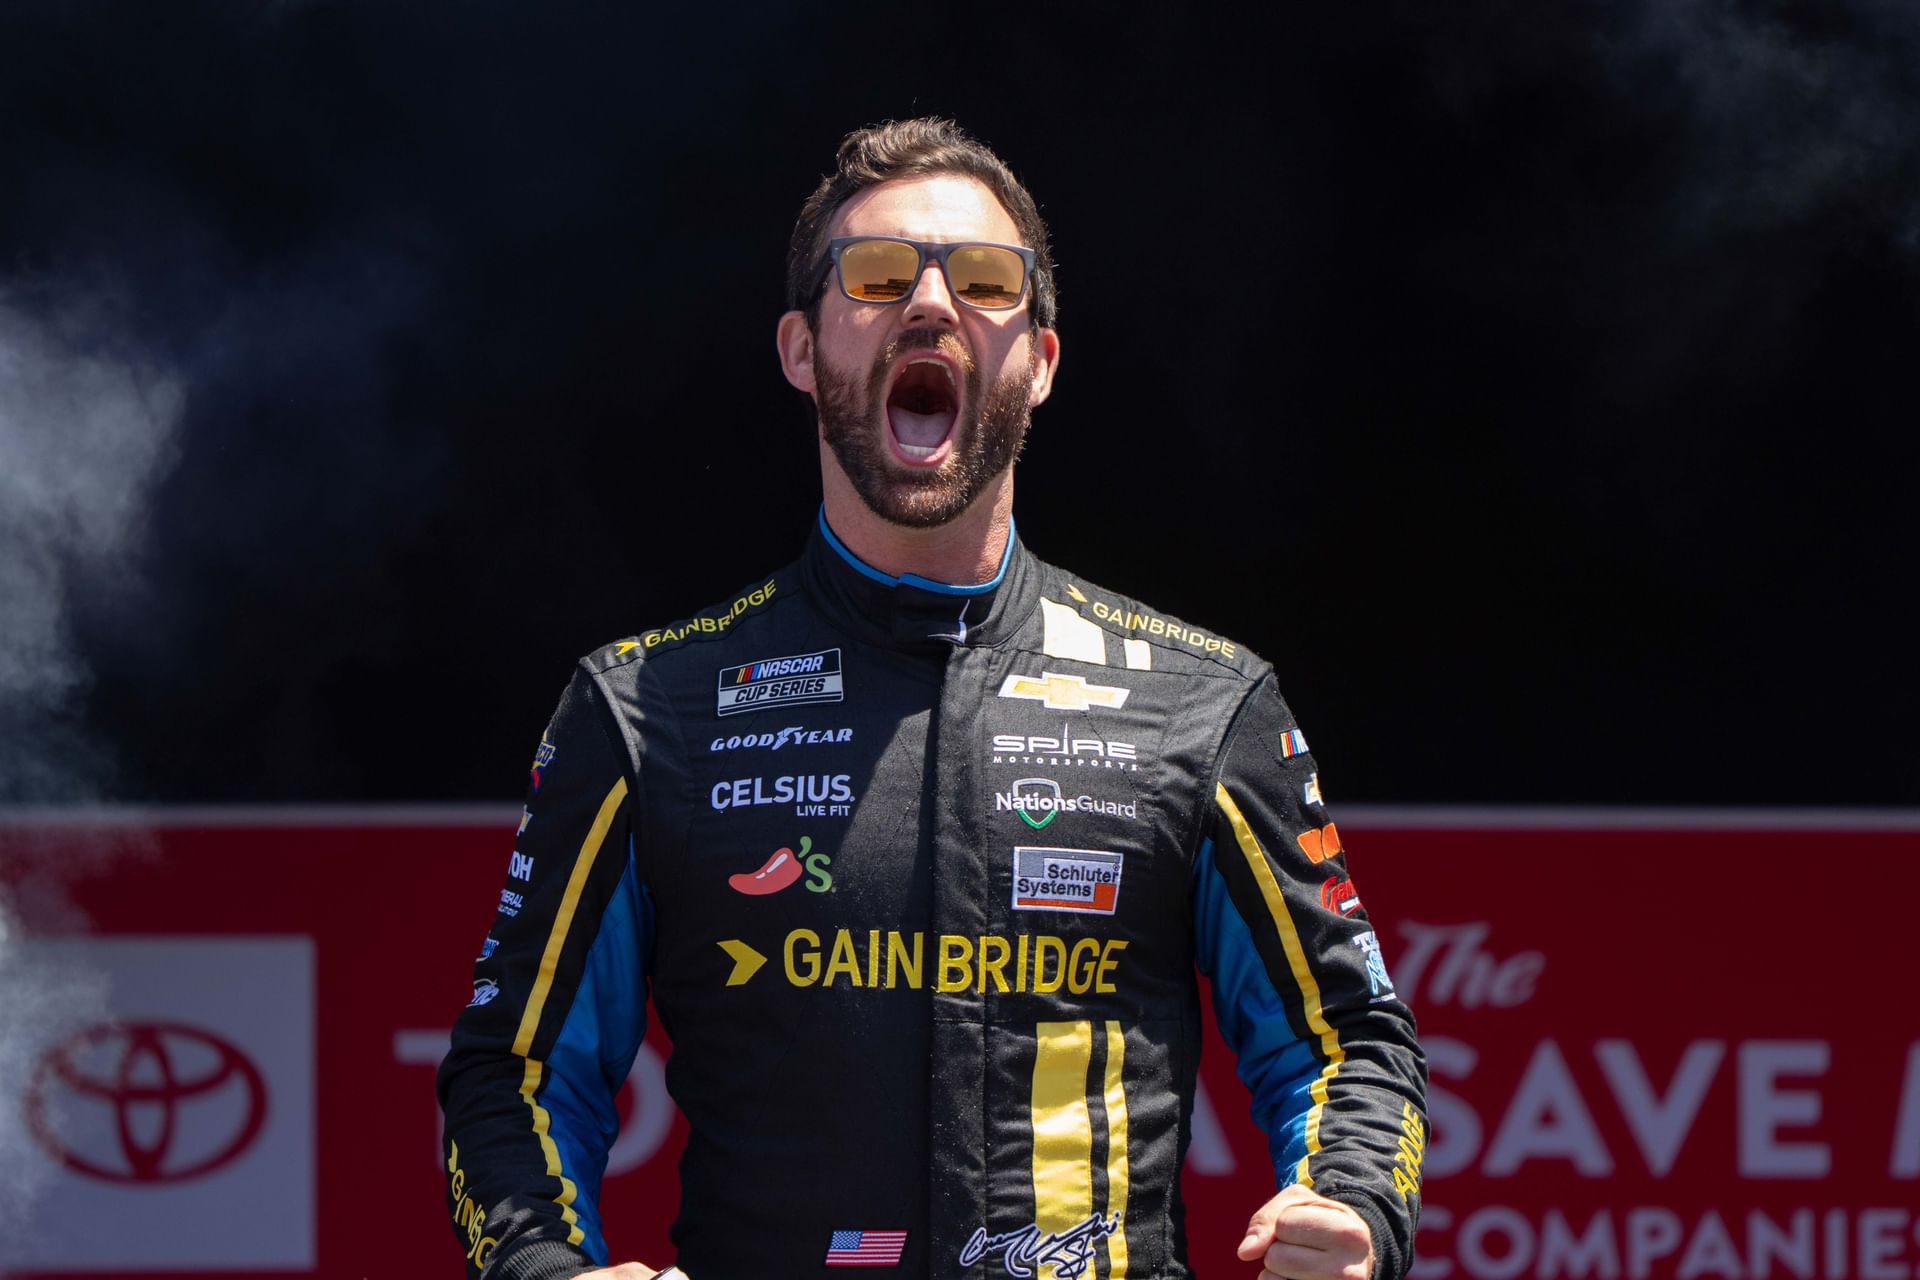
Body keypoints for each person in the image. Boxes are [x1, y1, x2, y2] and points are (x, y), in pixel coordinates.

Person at [437, 117, 1427, 1280]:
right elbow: (513, 1068)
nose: (929, 303)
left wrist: (1353, 1205)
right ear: (801, 348)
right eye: (876, 274)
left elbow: (1351, 1037)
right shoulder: (648, 705)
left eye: (986, 279)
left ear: (1041, 361)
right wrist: (546, 1267)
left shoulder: (1202, 702)